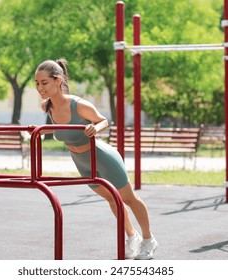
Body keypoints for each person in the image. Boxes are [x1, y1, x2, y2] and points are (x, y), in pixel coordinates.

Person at [31, 58, 158, 260]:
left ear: (58, 80)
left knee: (128, 198)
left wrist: (94, 128)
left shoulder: (78, 105)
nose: (40, 88)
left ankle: (149, 240)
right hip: (81, 161)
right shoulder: (46, 107)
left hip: (102, 157)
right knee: (112, 200)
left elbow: (103, 121)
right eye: (37, 83)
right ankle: (131, 237)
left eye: (44, 83)